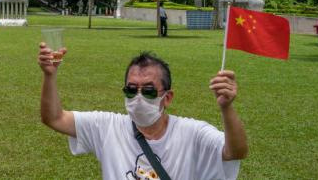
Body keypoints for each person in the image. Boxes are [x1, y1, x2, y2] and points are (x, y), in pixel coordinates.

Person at [39, 48, 248, 180]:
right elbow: (55, 118)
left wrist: (226, 108)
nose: (138, 98)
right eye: (131, 89)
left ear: (167, 97)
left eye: (148, 91)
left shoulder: (192, 133)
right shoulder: (107, 127)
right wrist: (50, 76)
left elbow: (235, 152)